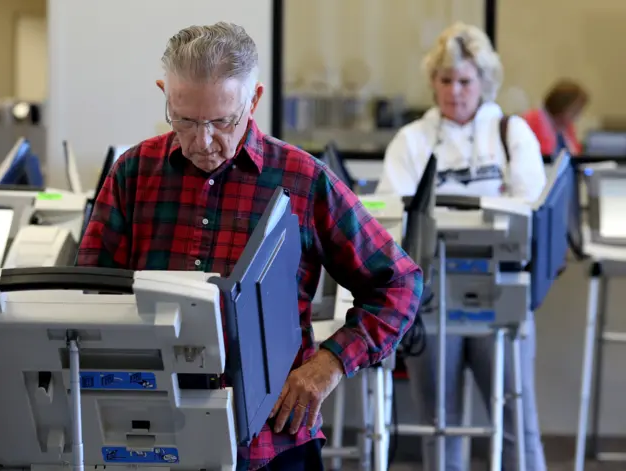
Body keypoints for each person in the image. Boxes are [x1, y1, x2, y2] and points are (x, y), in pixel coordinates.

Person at [77, 22, 423, 471]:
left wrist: (328, 365)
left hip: (271, 443)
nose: (203, 142)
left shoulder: (303, 178)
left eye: (222, 121)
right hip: (152, 434)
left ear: (253, 100)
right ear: (166, 94)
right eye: (184, 119)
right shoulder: (133, 174)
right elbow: (91, 300)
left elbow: (399, 285)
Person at [376, 22, 547, 471]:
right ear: (433, 82)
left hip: (502, 291)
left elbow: (532, 208)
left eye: (465, 81)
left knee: (515, 417)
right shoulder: (411, 140)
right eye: (445, 80)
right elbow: (390, 217)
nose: (455, 91)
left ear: (484, 82)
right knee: (440, 421)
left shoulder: (511, 134)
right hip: (431, 298)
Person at [523, 79, 589, 156]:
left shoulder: (567, 127)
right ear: (562, 106)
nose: (577, 116)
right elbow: (543, 153)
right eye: (575, 111)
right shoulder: (532, 121)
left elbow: (576, 154)